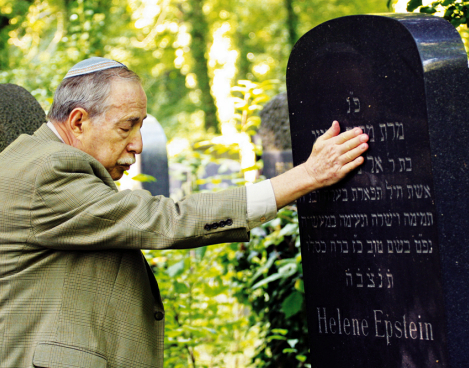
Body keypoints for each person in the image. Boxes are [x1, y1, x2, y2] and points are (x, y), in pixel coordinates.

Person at [0, 57, 369, 367]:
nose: (138, 144)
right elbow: (167, 220)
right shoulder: (49, 169)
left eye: (141, 127)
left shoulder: (33, 160)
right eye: (127, 126)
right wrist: (306, 175)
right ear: (78, 122)